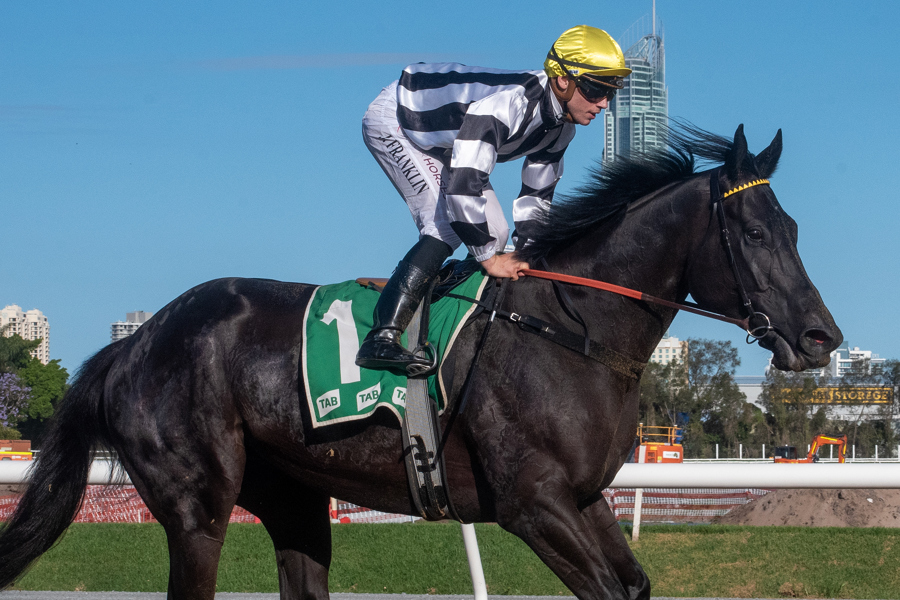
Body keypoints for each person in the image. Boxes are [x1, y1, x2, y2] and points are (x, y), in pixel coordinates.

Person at [356, 25, 631, 373]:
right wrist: (488, 260)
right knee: (447, 227)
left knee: (495, 234)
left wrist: (527, 256)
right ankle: (381, 337)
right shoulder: (510, 104)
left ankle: (440, 302)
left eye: (610, 93)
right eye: (596, 89)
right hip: (398, 120)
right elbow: (463, 185)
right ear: (563, 80)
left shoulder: (562, 129)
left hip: (446, 141)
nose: (603, 103)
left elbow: (536, 200)